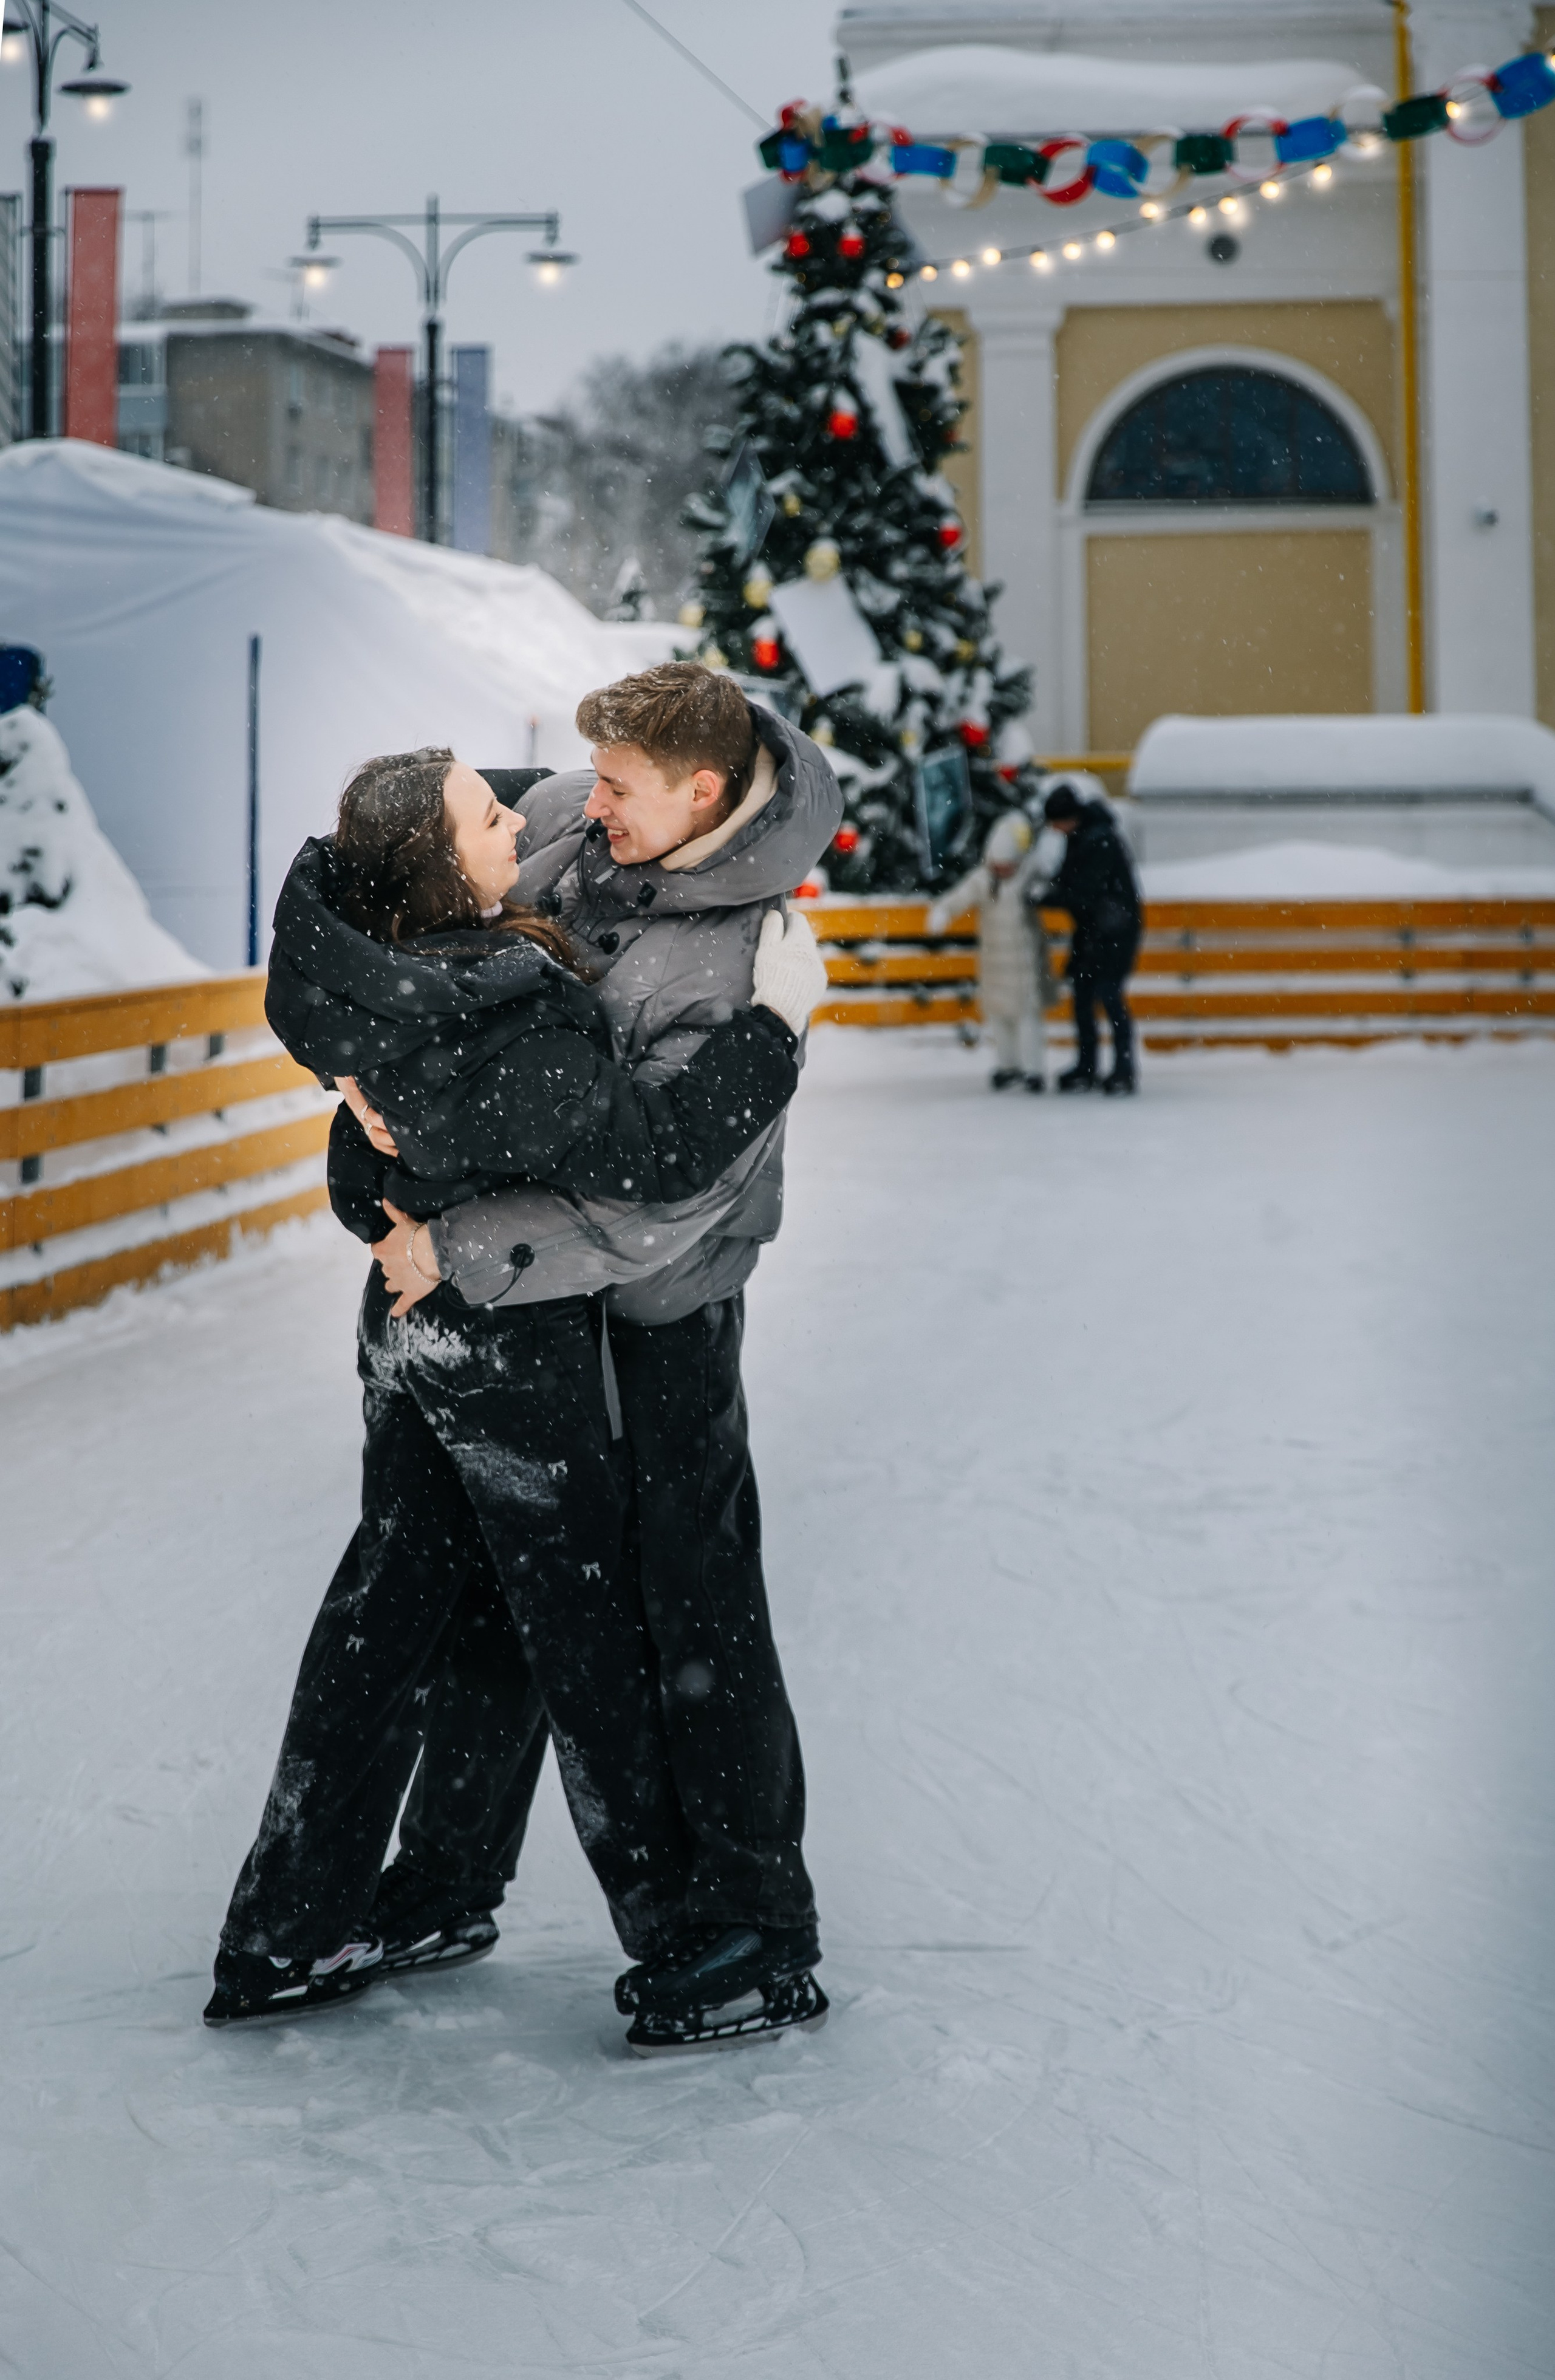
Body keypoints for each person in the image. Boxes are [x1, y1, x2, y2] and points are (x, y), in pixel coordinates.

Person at [205, 745, 826, 2029]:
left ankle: (311, 1917)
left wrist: (370, 1139)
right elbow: (655, 1157)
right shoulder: (513, 1009)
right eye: (493, 815)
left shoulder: (384, 980)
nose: (545, 809)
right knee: (578, 1631)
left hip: (406, 1328)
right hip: (510, 1340)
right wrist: (771, 1030)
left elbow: (354, 1170)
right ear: (441, 872)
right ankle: (687, 1928)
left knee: (413, 1605)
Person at [360, 663, 844, 2054]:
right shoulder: (590, 816)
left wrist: (460, 1248)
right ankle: (446, 1879)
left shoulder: (755, 955)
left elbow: (663, 1207)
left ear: (700, 791)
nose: (590, 807)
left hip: (661, 1324)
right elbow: (452, 862)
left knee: (694, 1614)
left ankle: (757, 1925)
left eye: (621, 789)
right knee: (508, 1594)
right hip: (536, 1319)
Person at [927, 808, 1054, 1092]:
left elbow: (1050, 885)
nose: (1002, 870)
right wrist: (943, 912)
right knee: (1000, 1021)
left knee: (1027, 1022)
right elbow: (960, 897)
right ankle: (1008, 1066)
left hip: (1024, 969)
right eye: (997, 864)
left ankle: (1033, 1069)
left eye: (1008, 864)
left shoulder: (1028, 879)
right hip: (995, 969)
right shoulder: (984, 881)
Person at [1039, 776, 1143, 1095]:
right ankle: (1087, 1066)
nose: (1054, 830)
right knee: (1083, 998)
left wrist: (1046, 898)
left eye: (1056, 823)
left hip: (1115, 932)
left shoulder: (1100, 840)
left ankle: (1123, 1070)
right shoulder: (1082, 835)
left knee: (1110, 997)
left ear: (1069, 817)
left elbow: (1084, 892)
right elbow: (1070, 880)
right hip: (1092, 932)